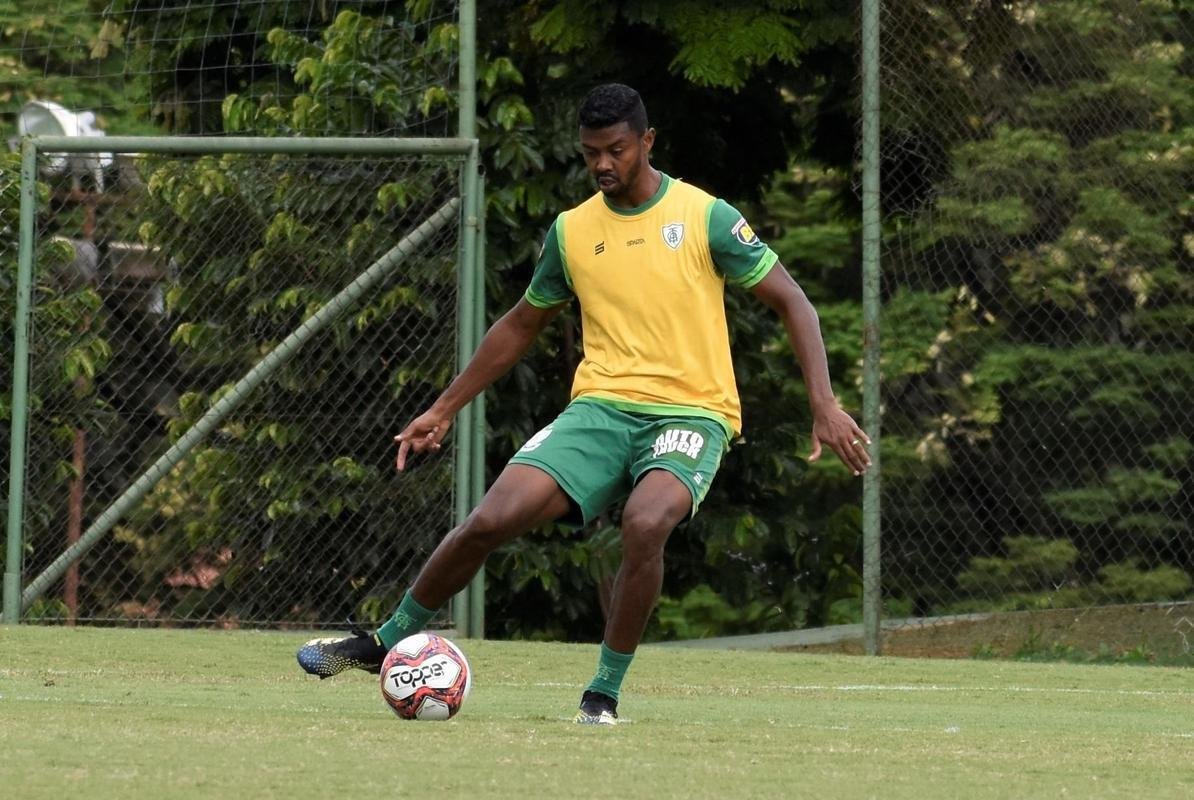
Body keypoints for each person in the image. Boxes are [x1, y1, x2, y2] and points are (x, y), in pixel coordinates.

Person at [297, 83, 871, 725]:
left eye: (616, 150)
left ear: (647, 142)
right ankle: (384, 642)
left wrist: (823, 401)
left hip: (691, 413)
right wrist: (445, 407)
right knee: (488, 521)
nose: (603, 164)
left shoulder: (704, 216)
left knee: (646, 524)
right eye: (591, 152)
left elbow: (793, 299)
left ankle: (603, 692)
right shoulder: (572, 232)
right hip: (599, 410)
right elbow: (520, 324)